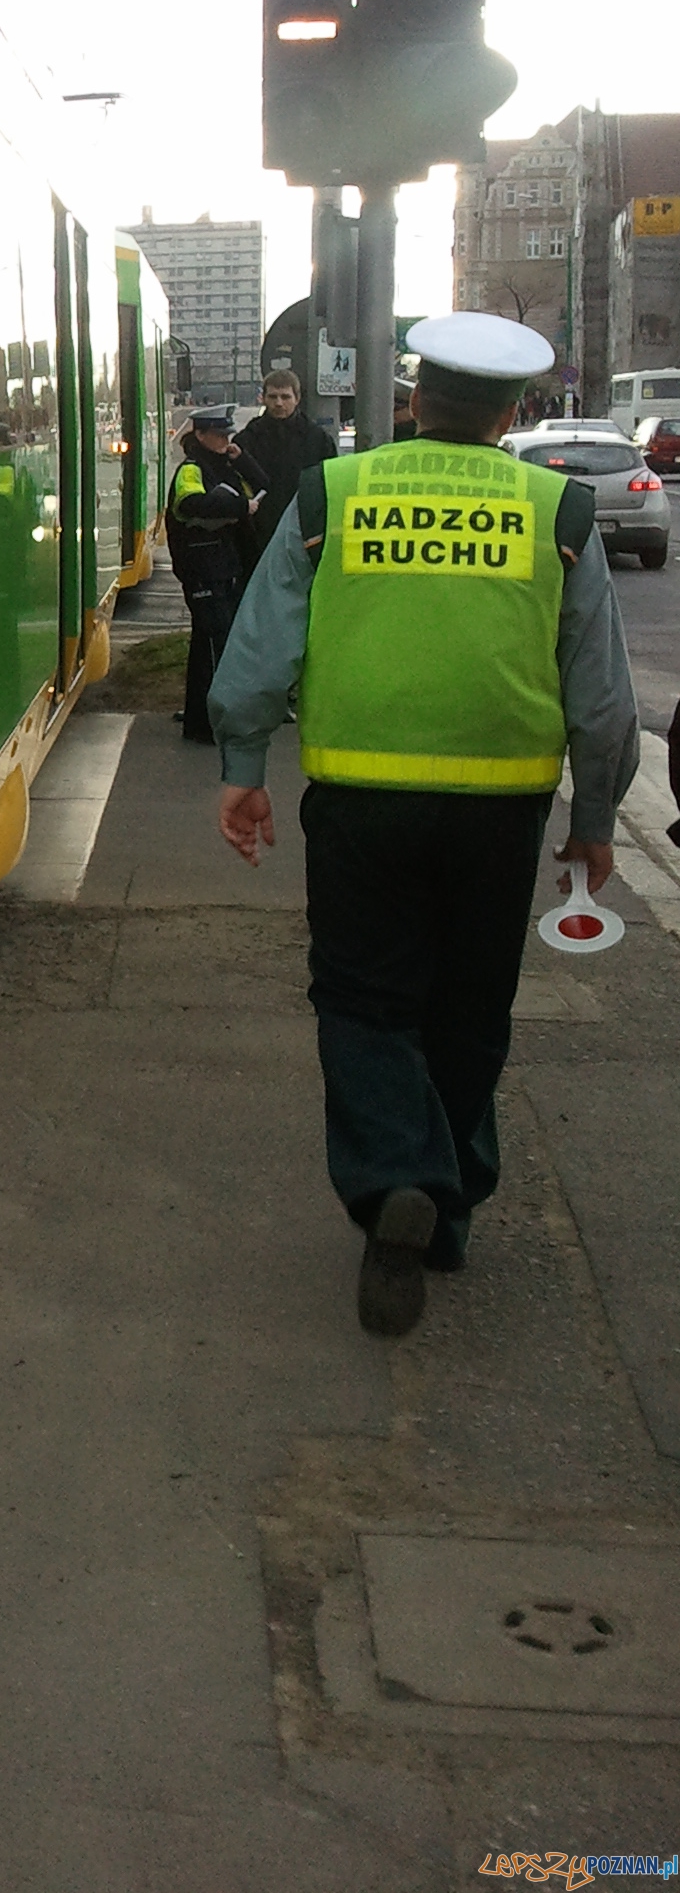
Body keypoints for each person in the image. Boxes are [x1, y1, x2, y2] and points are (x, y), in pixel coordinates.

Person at [207, 313, 639, 1337]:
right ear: (510, 412)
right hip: (501, 812)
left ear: (413, 400)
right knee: (470, 1005)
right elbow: (603, 697)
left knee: (364, 1002)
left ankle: (398, 1177)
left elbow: (259, 649)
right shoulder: (559, 511)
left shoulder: (334, 495)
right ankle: (447, 1210)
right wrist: (595, 818)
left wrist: (242, 767)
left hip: (361, 803)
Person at [166, 406, 260, 746]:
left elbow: (263, 485)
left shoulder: (223, 466)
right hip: (203, 567)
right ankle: (208, 723)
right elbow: (190, 504)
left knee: (212, 643)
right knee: (213, 645)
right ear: (201, 435)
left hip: (224, 565)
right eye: (219, 436)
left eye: (227, 435)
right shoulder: (192, 469)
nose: (225, 441)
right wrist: (239, 508)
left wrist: (241, 458)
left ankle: (203, 721)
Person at [234, 369, 336, 558]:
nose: (279, 403)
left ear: (297, 399)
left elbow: (330, 485)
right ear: (263, 398)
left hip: (303, 529)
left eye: (285, 397)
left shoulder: (318, 440)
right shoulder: (247, 439)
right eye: (273, 397)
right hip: (257, 533)